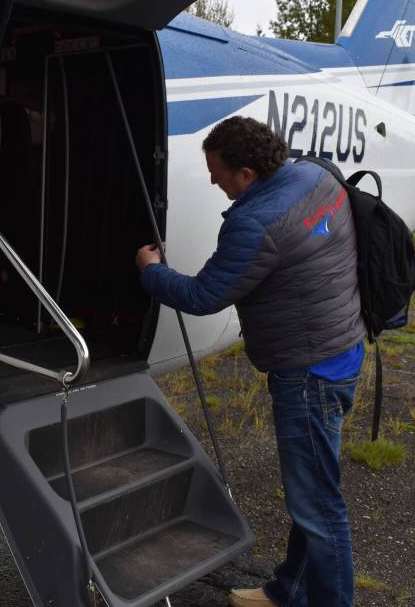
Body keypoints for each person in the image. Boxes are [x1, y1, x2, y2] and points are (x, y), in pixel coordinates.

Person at [135, 116, 366, 607]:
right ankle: (292, 591)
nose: (212, 181)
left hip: (309, 374)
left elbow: (203, 295)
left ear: (246, 173)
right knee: (314, 492)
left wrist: (152, 271)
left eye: (217, 173)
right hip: (343, 349)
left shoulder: (254, 221)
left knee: (319, 507)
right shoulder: (317, 175)